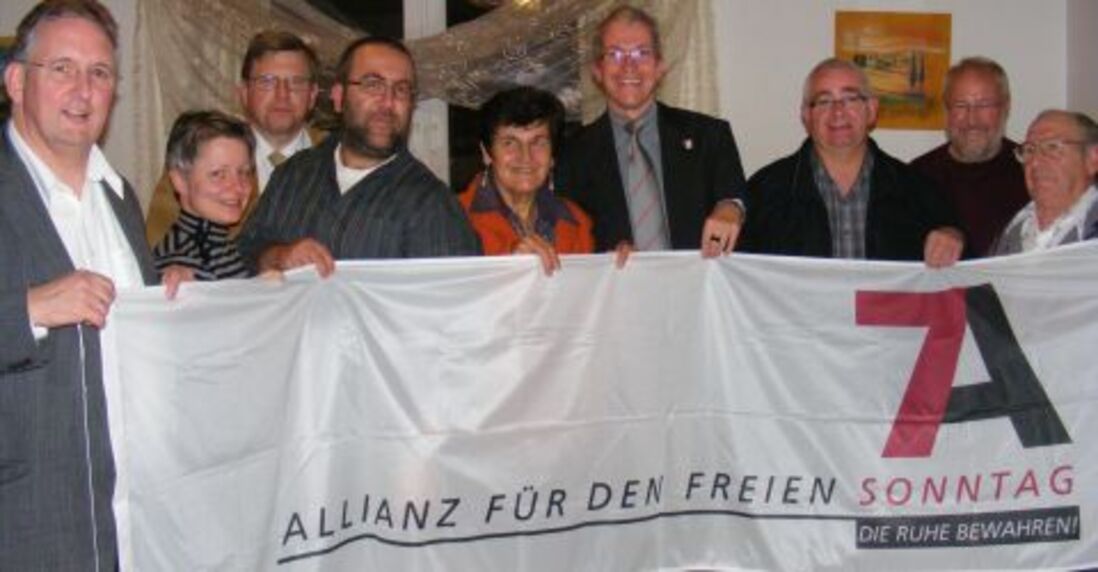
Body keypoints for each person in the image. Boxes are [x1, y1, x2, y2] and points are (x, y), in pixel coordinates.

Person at [0, 1, 162, 568]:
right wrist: (29, 310)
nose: (83, 89)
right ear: (16, 81)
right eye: (62, 68)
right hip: (22, 521)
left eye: (99, 73)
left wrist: (168, 298)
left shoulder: (120, 197)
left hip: (124, 518)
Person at [236, 36, 479, 276]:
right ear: (338, 97)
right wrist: (279, 257)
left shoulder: (433, 206)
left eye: (401, 90)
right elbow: (244, 252)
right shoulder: (294, 174)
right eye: (372, 85)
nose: (388, 103)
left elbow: (453, 295)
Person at [555, 5, 746, 258]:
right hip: (618, 283)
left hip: (698, 282)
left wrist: (731, 209)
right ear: (597, 70)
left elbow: (736, 199)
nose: (628, 66)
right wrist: (605, 258)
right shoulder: (572, 154)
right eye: (614, 54)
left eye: (642, 53)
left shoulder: (710, 136)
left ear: (660, 66)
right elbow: (571, 245)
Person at [738, 58, 964, 266]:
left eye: (850, 99)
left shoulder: (918, 191)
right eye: (824, 101)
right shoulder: (763, 192)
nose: (838, 112)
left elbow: (962, 273)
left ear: (872, 109)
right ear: (806, 115)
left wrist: (955, 238)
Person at [145, 30, 321, 245]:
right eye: (267, 82)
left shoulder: (341, 157)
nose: (282, 94)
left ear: (313, 95)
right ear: (244, 93)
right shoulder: (200, 154)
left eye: (296, 82)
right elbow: (159, 245)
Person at [459, 86, 593, 275]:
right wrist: (511, 270)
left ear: (552, 155)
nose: (525, 157)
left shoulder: (578, 222)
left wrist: (621, 268)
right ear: (486, 153)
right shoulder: (455, 219)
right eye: (510, 143)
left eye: (538, 142)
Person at [911, 57, 1029, 256]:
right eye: (960, 105)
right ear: (946, 110)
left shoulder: (1032, 171)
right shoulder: (915, 178)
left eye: (984, 105)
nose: (972, 120)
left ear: (1006, 107)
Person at [152, 110, 256, 280]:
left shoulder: (220, 245)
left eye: (244, 172)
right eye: (218, 174)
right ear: (180, 181)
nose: (238, 187)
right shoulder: (180, 266)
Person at [992, 110, 1098, 254]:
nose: (1035, 162)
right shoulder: (1009, 232)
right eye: (1029, 150)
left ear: (1093, 159)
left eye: (1052, 147)